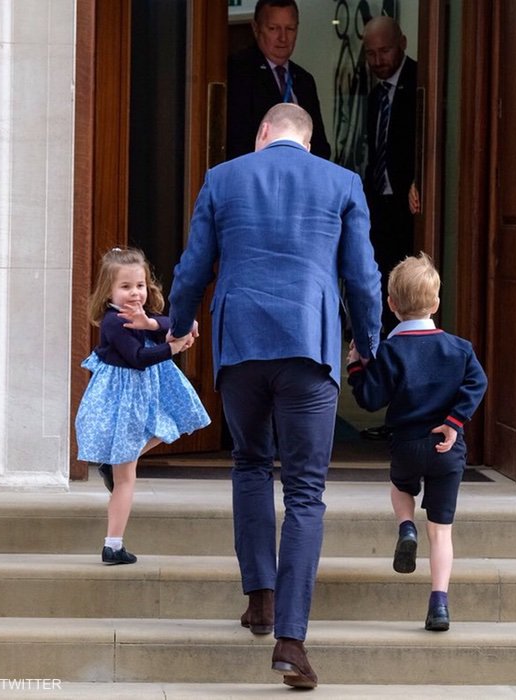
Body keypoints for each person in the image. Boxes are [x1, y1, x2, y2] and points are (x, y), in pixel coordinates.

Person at [168, 103, 380, 689]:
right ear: (307, 143)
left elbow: (193, 267)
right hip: (310, 344)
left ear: (262, 133)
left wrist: (177, 325)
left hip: (241, 343)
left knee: (250, 464)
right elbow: (362, 277)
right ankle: (291, 641)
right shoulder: (342, 182)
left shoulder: (223, 177)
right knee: (307, 491)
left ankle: (260, 599)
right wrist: (368, 344)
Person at [346, 252, 487, 632]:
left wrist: (357, 366)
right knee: (441, 531)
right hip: (447, 449)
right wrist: (455, 422)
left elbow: (371, 398)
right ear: (436, 303)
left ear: (391, 305)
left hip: (406, 446)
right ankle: (438, 603)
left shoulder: (390, 352)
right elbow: (478, 383)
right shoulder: (459, 349)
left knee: (399, 487)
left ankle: (405, 526)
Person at [75, 247, 211, 565]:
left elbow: (176, 322)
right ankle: (113, 545)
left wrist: (152, 325)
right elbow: (138, 359)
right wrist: (173, 346)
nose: (135, 293)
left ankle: (119, 464)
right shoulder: (113, 322)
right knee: (126, 478)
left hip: (143, 397)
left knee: (174, 424)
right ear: (108, 291)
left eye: (139, 285)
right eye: (125, 287)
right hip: (124, 401)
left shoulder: (140, 315)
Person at [363, 16, 419, 337]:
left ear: (403, 44)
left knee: (408, 286)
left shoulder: (422, 80)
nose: (378, 61)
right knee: (381, 280)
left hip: (410, 206)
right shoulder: (375, 98)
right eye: (370, 53)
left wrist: (419, 179)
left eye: (384, 51)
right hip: (379, 206)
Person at [226, 0, 331, 161]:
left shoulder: (304, 80)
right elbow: (236, 142)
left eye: (290, 28)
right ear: (256, 28)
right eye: (273, 29)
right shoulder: (236, 72)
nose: (283, 38)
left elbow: (319, 145)